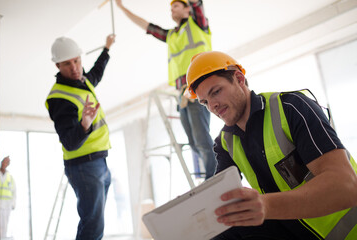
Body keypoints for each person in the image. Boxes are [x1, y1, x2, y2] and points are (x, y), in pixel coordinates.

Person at [183, 51, 357, 239]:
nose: (212, 106)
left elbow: (346, 186)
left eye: (216, 92)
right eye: (205, 102)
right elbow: (218, 201)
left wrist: (265, 205)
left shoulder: (291, 108)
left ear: (239, 79)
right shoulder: (225, 142)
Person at [115, 0, 217, 179]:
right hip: (183, 95)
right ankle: (212, 177)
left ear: (187, 9)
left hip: (198, 89)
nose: (172, 10)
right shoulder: (171, 35)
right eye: (170, 8)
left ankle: (214, 178)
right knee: (193, 143)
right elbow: (147, 26)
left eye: (176, 6)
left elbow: (198, 3)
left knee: (202, 141)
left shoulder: (197, 24)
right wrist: (122, 8)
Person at [45, 34, 115, 240]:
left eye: (77, 60)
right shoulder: (59, 97)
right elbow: (69, 142)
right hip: (84, 167)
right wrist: (84, 124)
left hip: (99, 162)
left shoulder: (83, 81)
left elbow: (97, 72)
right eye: (67, 64)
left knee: (95, 222)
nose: (74, 67)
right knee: (93, 226)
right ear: (57, 65)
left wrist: (107, 49)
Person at [0, 156, 16, 238]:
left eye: (7, 162)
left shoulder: (10, 177)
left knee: (4, 226)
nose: (5, 164)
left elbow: (14, 191)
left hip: (7, 205)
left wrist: (13, 204)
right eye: (4, 161)